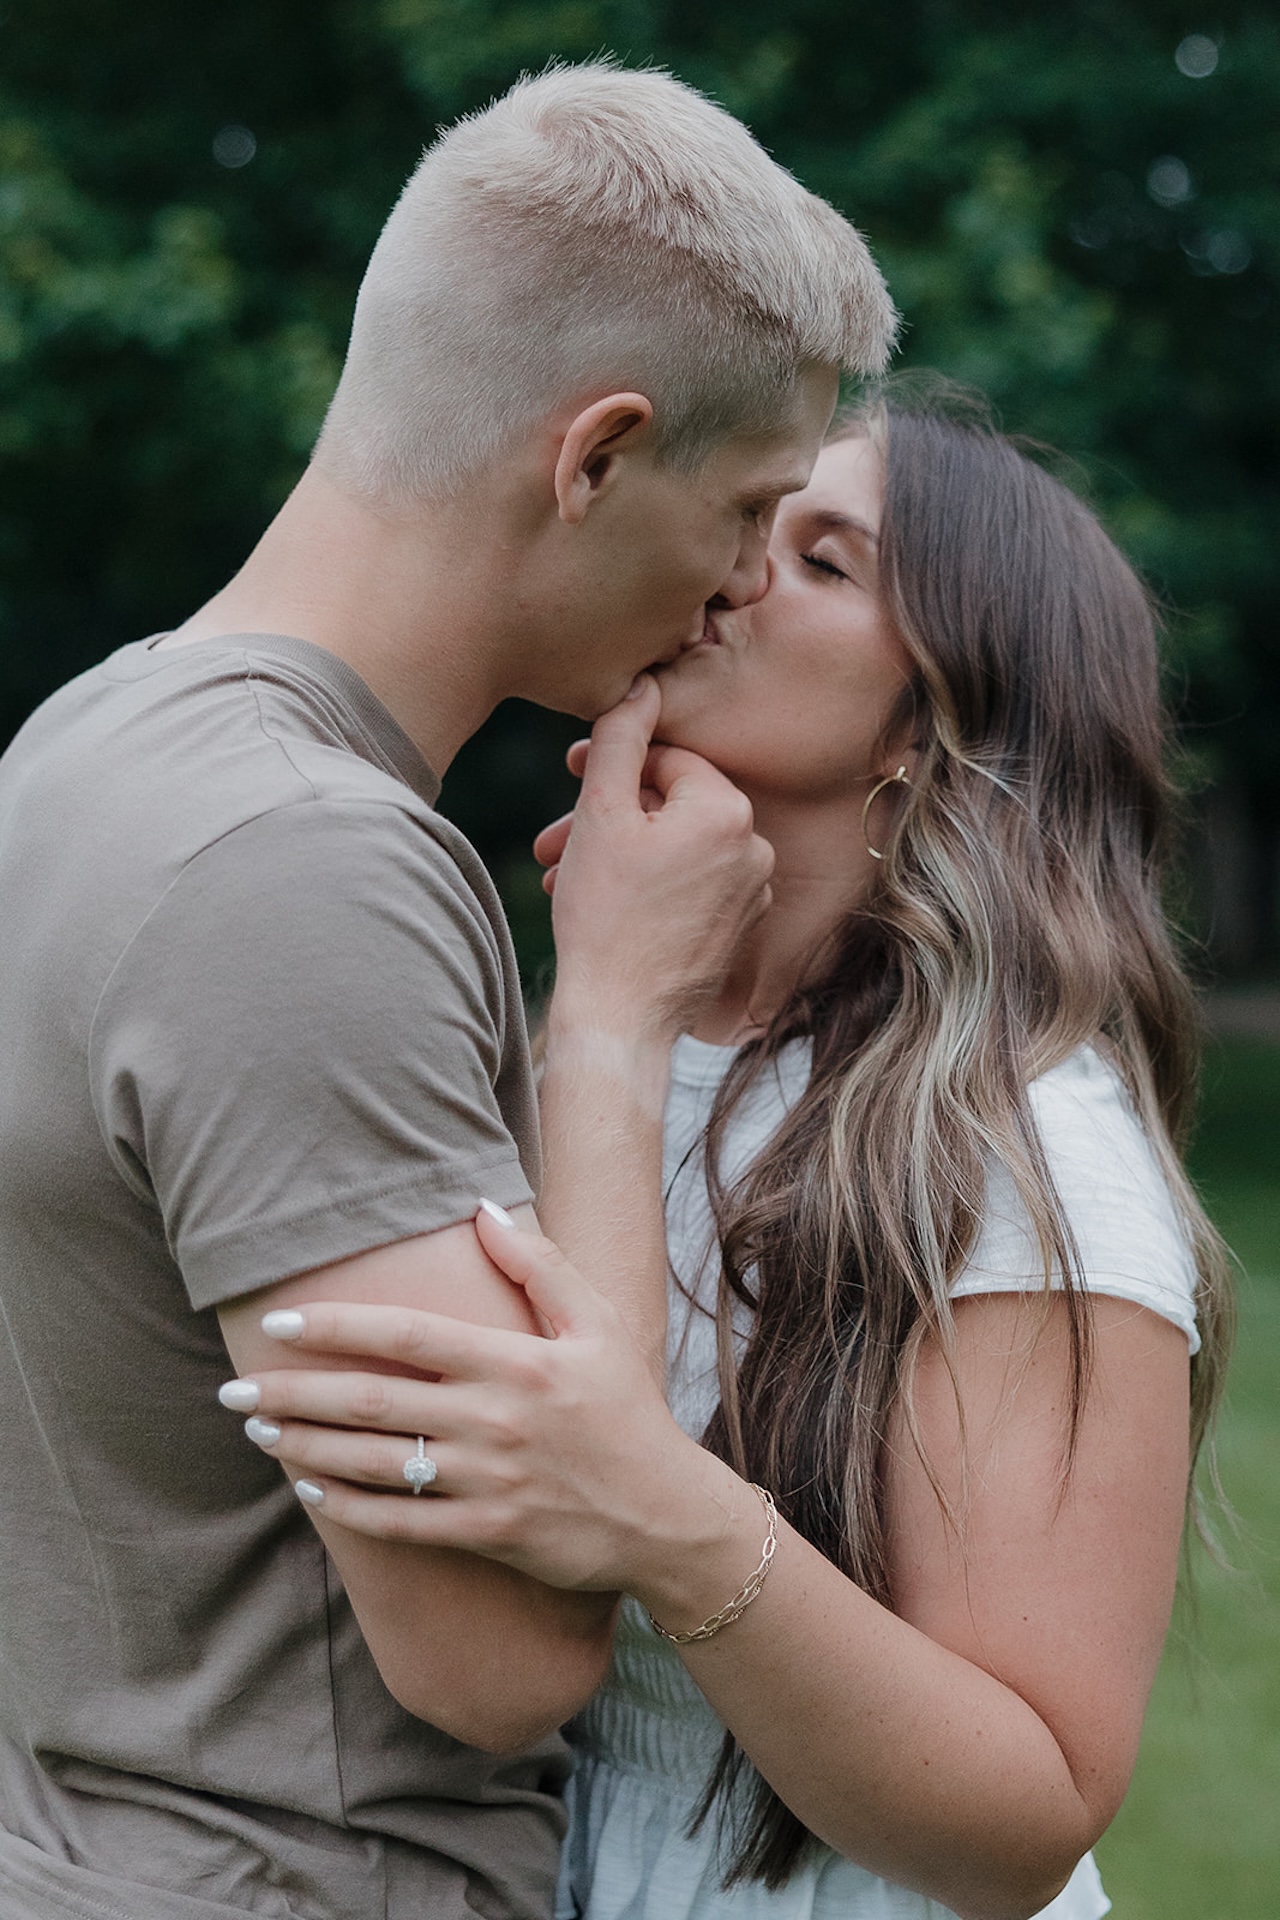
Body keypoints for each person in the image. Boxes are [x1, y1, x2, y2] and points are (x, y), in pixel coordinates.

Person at [0, 63, 896, 1920]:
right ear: (592, 457)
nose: (740, 589)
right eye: (745, 510)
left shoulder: (86, 741)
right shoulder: (299, 868)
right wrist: (622, 1012)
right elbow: (496, 1654)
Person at [220, 390, 1233, 1920]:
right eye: (757, 523)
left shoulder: (1020, 1151)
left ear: (944, 714)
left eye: (826, 562)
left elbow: (1031, 1817)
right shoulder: (590, 1033)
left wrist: (668, 1517)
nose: (741, 570)